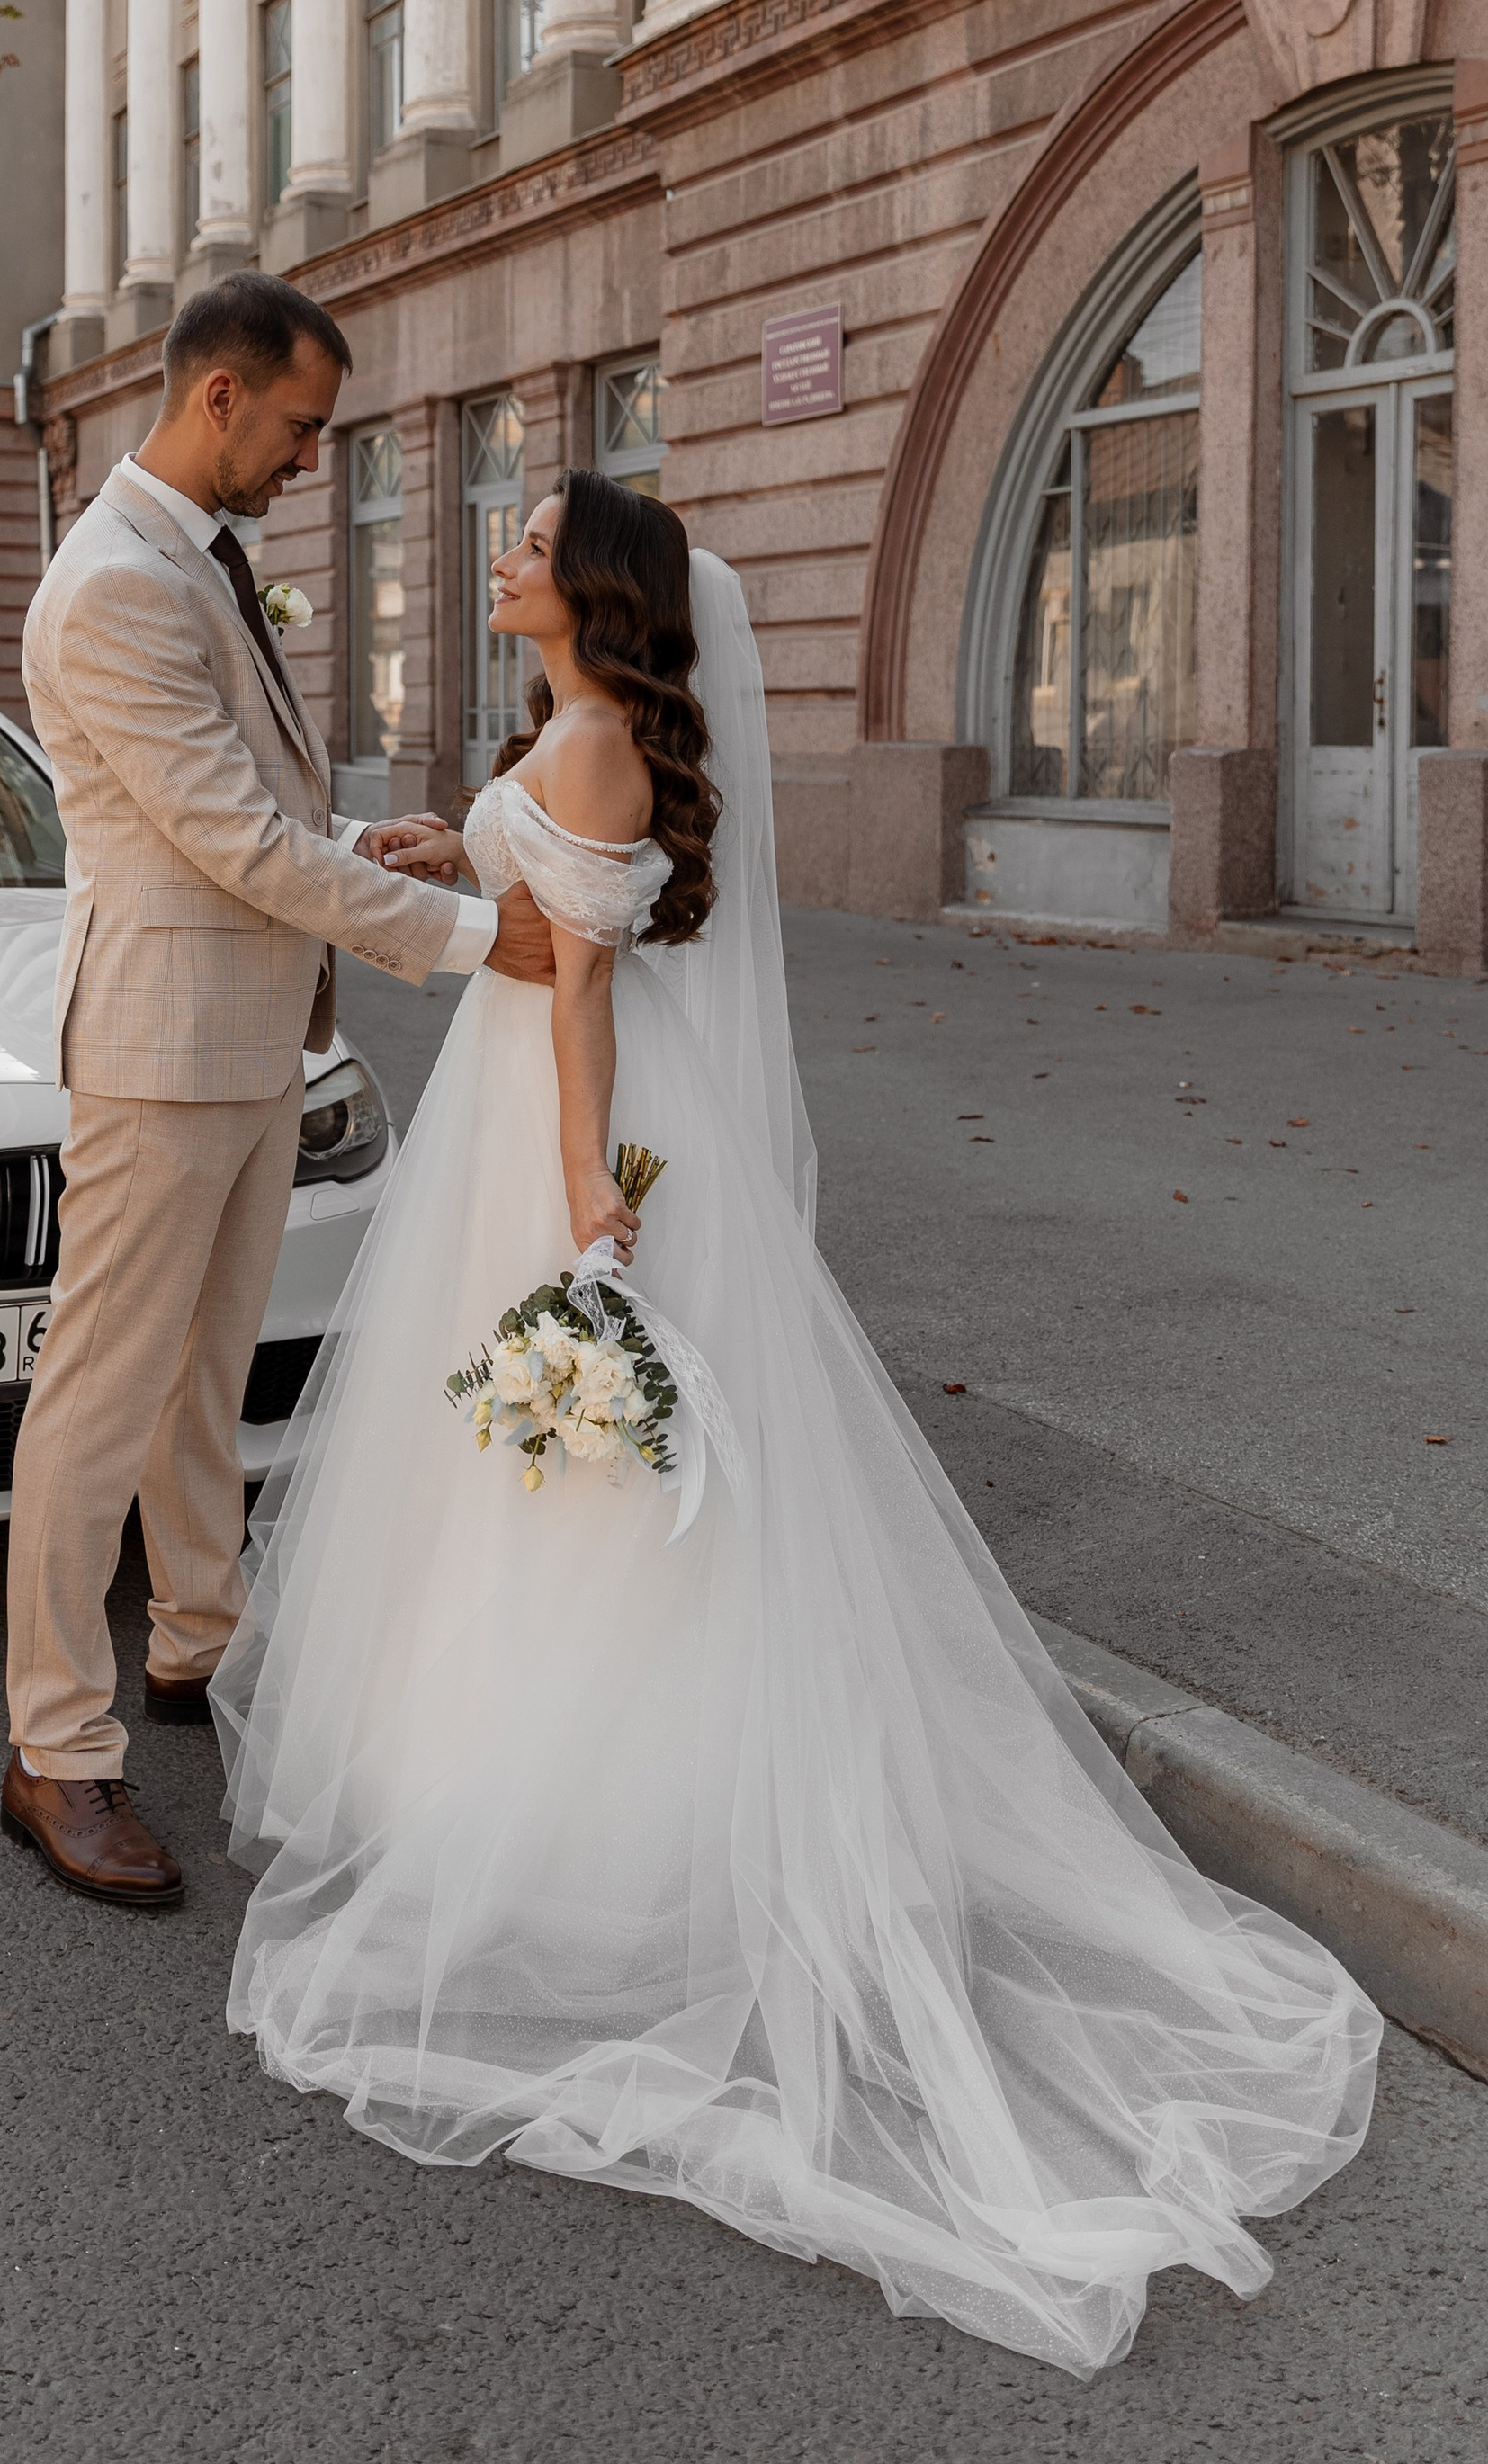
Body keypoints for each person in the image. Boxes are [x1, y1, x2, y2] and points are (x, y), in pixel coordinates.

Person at [213, 470, 1379, 2379]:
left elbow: (578, 988)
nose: (496, 558)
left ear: (585, 590)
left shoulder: (591, 747)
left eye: (522, 542)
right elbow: (534, 917)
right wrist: (450, 854)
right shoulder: (565, 736)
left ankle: (583, 1824)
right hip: (537, 1102)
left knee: (585, 1472)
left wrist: (581, 1187)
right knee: (553, 1472)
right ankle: (483, 1771)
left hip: (562, 1124)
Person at [3, 272, 556, 1907]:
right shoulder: (112, 584)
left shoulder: (199, 558)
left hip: (253, 1033)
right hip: (164, 1041)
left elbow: (250, 816)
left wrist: (349, 848)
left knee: (203, 1371)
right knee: (99, 1394)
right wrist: (469, 933)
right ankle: (53, 1749)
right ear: (222, 397)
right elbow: (223, 841)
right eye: (305, 425)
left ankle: (195, 1643)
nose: (315, 458)